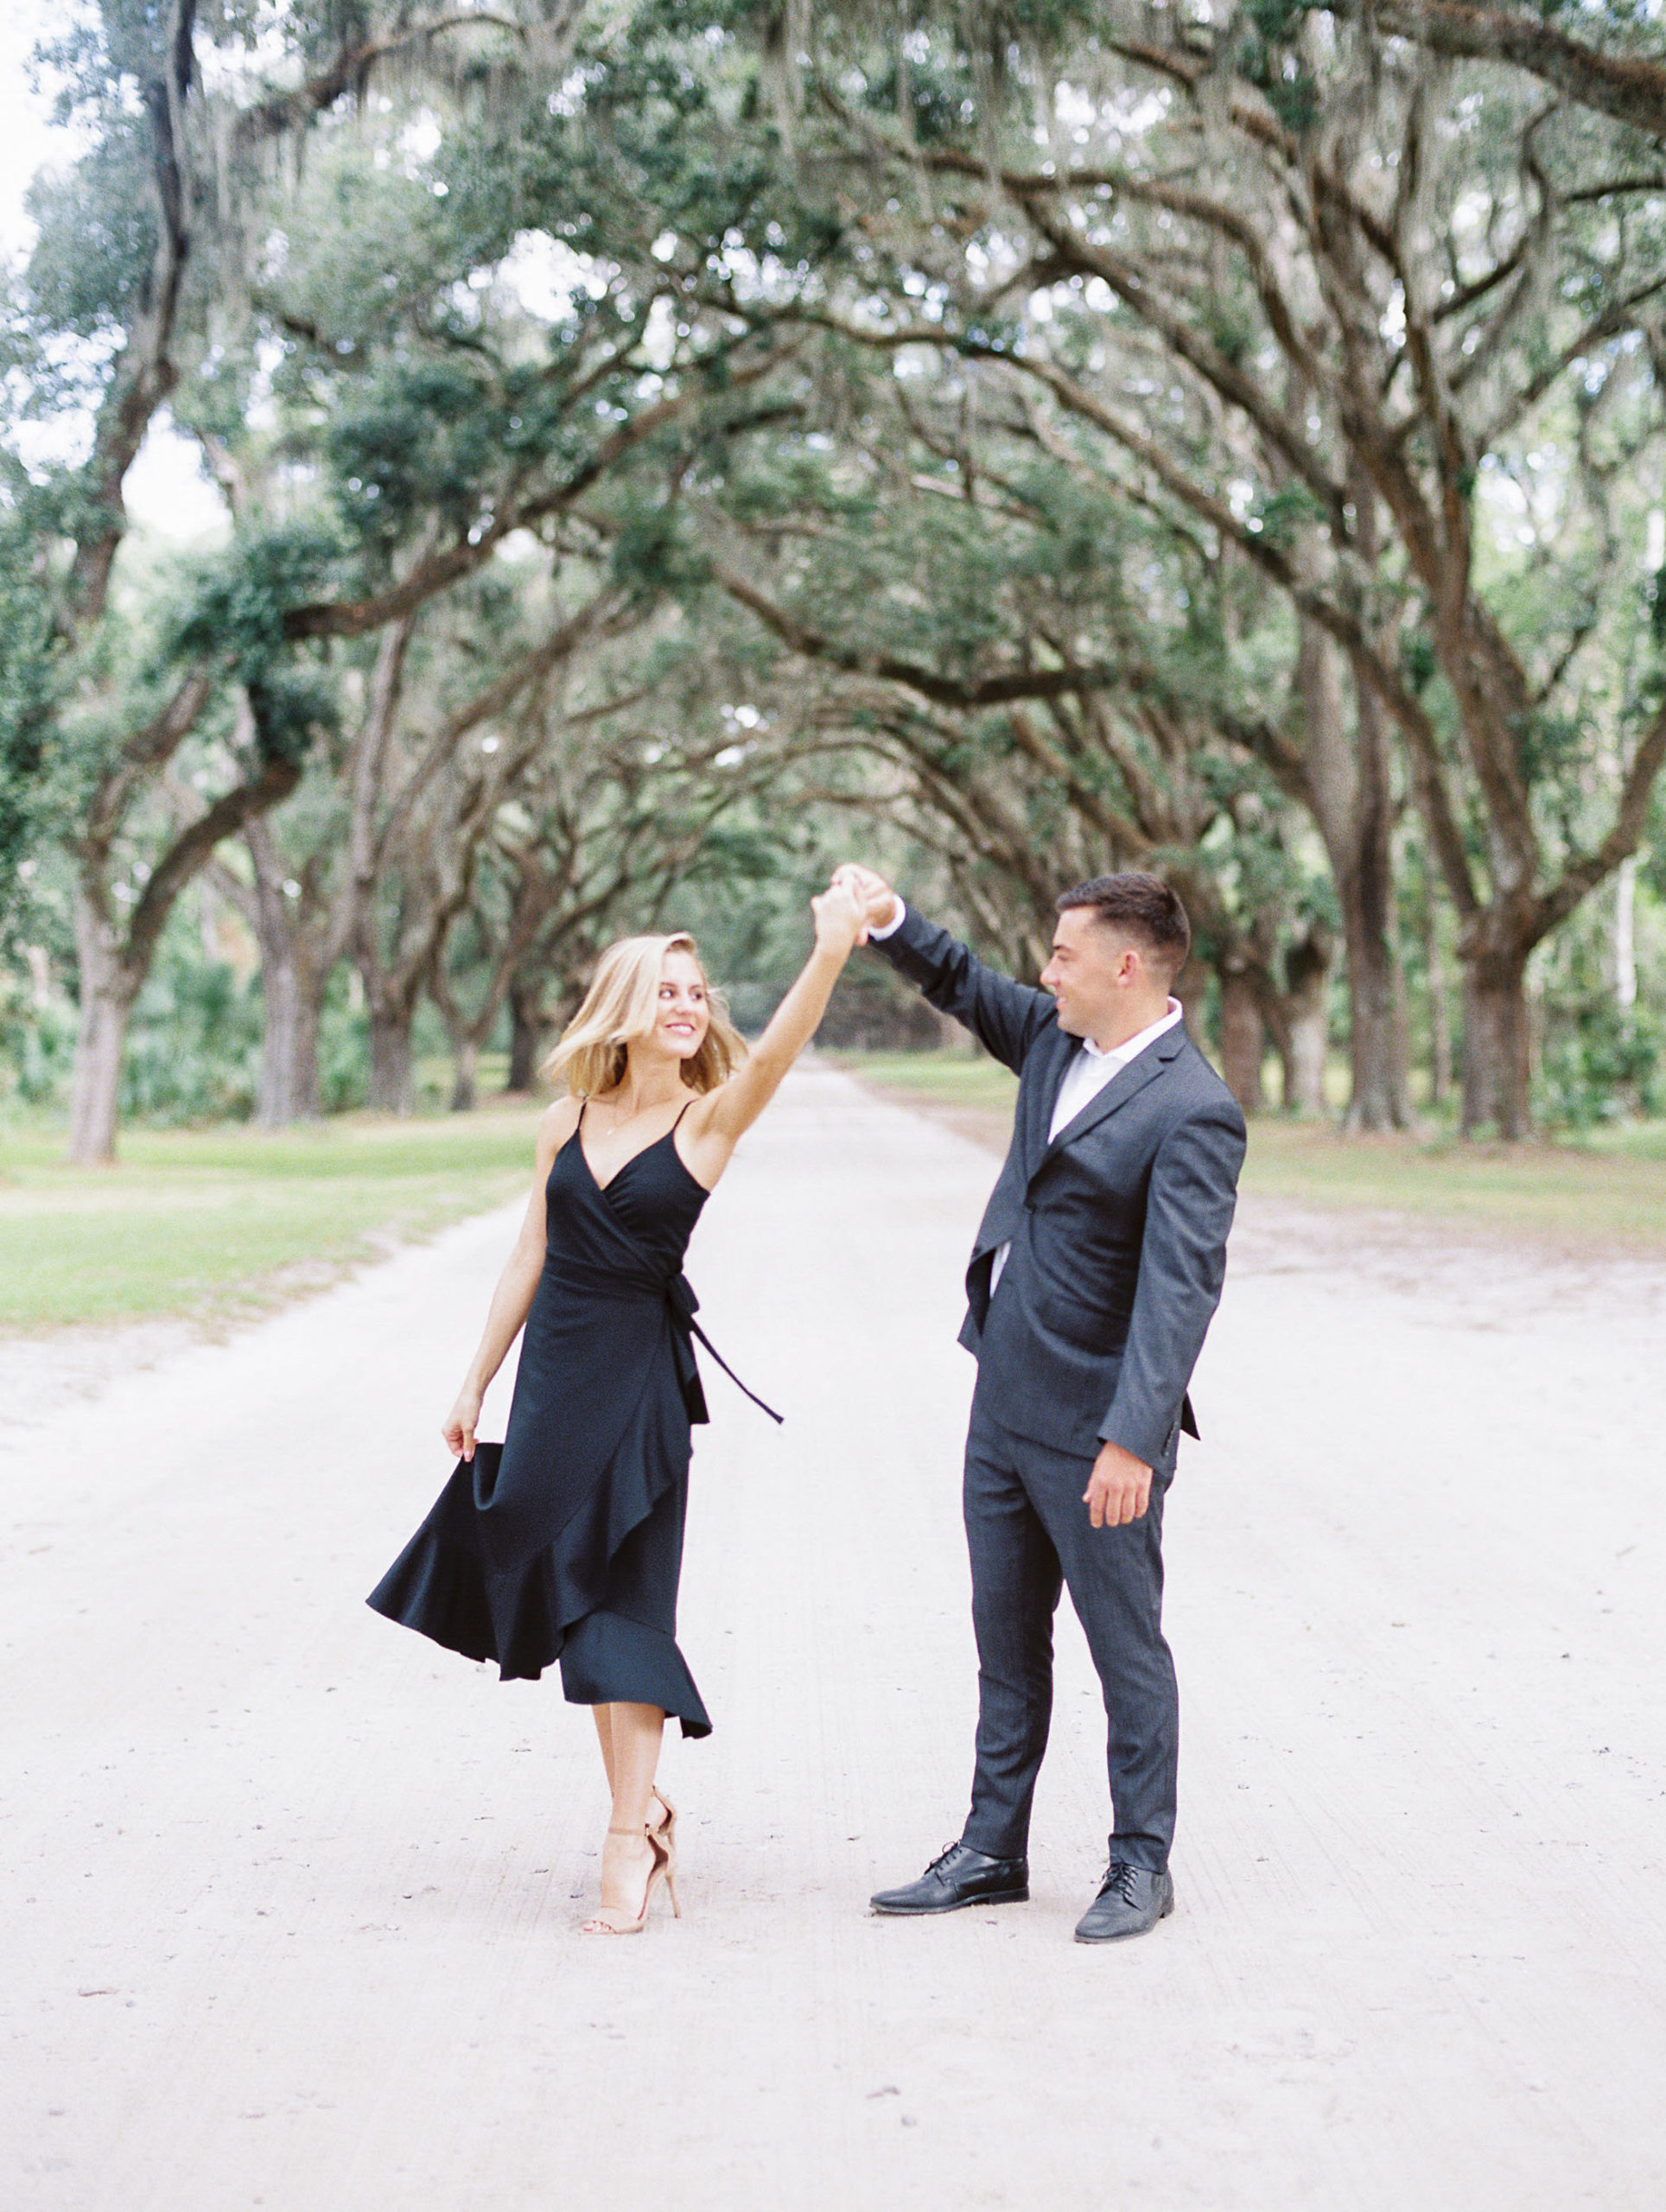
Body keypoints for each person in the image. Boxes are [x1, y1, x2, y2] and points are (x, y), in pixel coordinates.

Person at [367, 883, 869, 1935]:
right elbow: (529, 1255)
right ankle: (637, 1818)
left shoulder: (706, 1118)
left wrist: (828, 951)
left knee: (622, 1606)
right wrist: (474, 1379)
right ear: (625, 1006)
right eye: (665, 990)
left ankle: (623, 1840)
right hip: (553, 1380)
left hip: (638, 1387)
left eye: (697, 992)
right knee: (570, 1592)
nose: (686, 1005)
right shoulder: (566, 1120)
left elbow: (771, 1054)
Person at [836, 864, 1246, 1943]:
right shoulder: (1054, 1042)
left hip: (1096, 1431)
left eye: (1062, 954)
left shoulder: (1192, 1107)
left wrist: (1131, 1442)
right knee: (1005, 1642)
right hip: (1003, 1402)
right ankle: (989, 1849)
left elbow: (1179, 1292)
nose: (1043, 969)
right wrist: (890, 920)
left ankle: (1138, 1863)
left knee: (1125, 1649)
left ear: (1124, 964)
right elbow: (965, 984)